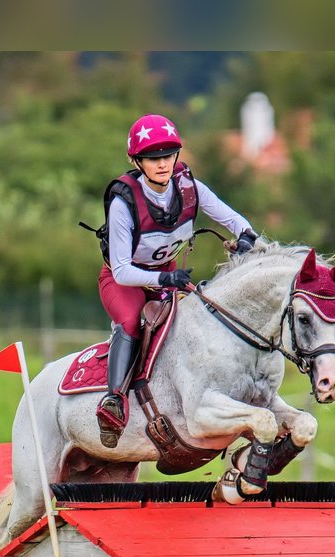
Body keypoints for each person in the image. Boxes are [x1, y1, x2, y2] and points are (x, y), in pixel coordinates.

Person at [90, 113, 258, 448]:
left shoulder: (189, 187)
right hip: (124, 282)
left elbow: (235, 220)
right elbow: (122, 269)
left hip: (168, 277)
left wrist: (246, 238)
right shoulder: (124, 202)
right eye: (153, 159)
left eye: (167, 156)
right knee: (131, 323)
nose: (162, 164)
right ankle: (114, 402)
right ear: (136, 161)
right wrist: (166, 277)